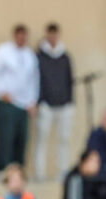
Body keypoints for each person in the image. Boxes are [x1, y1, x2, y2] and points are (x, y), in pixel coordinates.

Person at [0, 24, 39, 174]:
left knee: (21, 137)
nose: (22, 38)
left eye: (25, 36)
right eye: (19, 35)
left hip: (23, 103)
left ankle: (18, 170)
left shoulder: (29, 55)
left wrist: (32, 101)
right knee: (6, 136)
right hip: (6, 100)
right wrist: (0, 91)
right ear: (15, 35)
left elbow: (34, 80)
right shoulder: (3, 51)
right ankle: (2, 169)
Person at [34, 23, 74, 181]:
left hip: (64, 104)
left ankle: (63, 171)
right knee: (42, 139)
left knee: (64, 139)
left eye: (55, 34)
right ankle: (40, 173)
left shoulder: (65, 56)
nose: (53, 38)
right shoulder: (39, 56)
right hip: (46, 104)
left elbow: (69, 80)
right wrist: (40, 100)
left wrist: (70, 101)